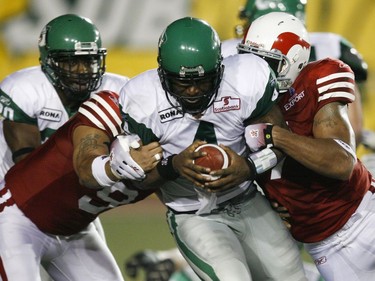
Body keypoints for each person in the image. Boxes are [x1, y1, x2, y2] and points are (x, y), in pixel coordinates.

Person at [119, 16, 308, 281]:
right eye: (182, 83)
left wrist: (249, 167)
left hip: (247, 200)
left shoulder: (246, 77)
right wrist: (173, 165)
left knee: (293, 277)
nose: (194, 91)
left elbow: (279, 141)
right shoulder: (142, 99)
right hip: (193, 214)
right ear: (162, 73)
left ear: (220, 68)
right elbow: (138, 178)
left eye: (203, 81)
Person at [238, 12, 375, 281]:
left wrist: (277, 136)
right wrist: (265, 204)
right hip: (327, 245)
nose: (255, 72)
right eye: (250, 60)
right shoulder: (236, 101)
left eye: (265, 63)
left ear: (293, 60)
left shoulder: (316, 80)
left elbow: (341, 162)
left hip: (366, 213)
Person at [0, 13, 130, 280]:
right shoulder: (25, 88)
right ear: (48, 61)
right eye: (71, 62)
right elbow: (28, 164)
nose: (82, 70)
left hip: (71, 213)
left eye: (89, 60)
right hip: (17, 208)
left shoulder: (119, 90)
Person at [0, 89, 163, 280]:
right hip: (17, 217)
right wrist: (115, 166)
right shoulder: (113, 111)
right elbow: (86, 171)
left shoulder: (176, 146)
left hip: (74, 230)